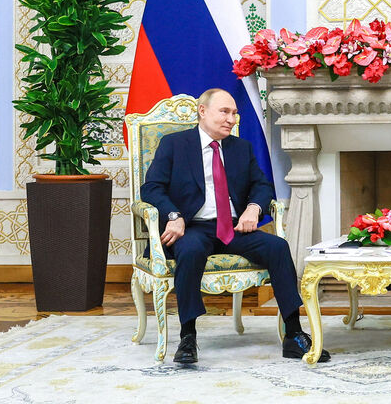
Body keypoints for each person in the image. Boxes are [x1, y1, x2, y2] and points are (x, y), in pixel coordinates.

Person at [140, 88, 329, 364]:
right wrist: (173, 215)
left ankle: (293, 334)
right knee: (190, 251)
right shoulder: (174, 144)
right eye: (224, 112)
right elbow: (151, 188)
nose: (231, 119)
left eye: (234, 113)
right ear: (202, 112)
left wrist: (253, 208)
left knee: (277, 246)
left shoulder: (241, 148)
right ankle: (188, 337)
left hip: (233, 227)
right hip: (192, 226)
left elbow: (262, 186)